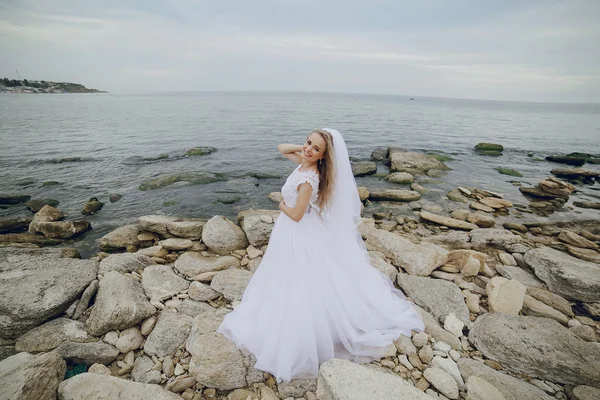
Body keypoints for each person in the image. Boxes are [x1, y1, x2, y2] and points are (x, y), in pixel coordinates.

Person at [217, 128, 424, 382]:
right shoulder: (305, 164)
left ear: (325, 157)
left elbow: (296, 215)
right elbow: (281, 147)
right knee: (290, 274)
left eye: (316, 148)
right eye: (307, 143)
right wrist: (308, 149)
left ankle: (304, 328)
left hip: (297, 230)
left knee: (302, 278)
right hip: (296, 231)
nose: (307, 149)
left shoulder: (309, 180)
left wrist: (280, 204)